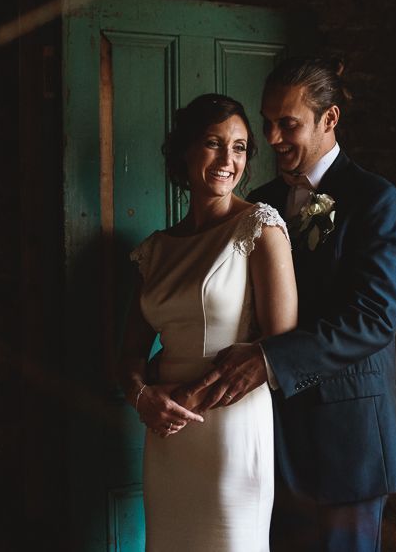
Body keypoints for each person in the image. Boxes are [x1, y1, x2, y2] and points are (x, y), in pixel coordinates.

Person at [180, 58, 396, 552]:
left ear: (329, 119)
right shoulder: (259, 203)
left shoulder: (377, 201)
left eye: (288, 123)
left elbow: (374, 320)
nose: (273, 136)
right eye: (267, 123)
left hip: (346, 443)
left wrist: (268, 359)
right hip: (266, 437)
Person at [119, 94, 297, 552]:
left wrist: (189, 396)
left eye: (239, 148)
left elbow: (281, 346)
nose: (228, 159)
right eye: (214, 144)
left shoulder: (259, 228)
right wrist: (141, 398)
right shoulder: (155, 249)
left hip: (230, 426)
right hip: (165, 436)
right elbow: (129, 352)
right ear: (184, 152)